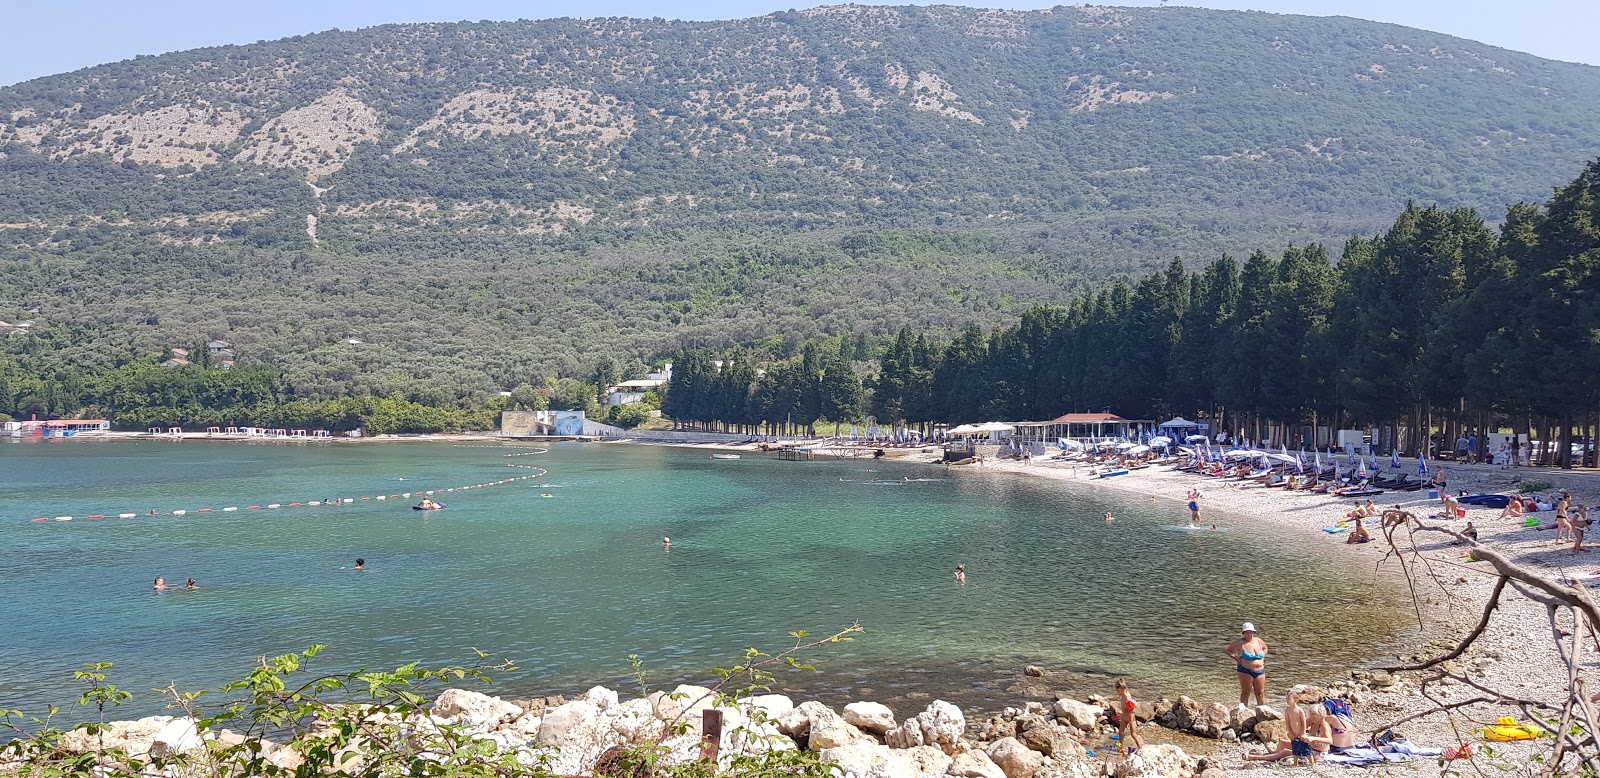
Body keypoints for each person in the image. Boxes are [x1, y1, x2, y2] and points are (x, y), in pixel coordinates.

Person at [1247, 689, 1310, 764]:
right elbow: (1287, 722)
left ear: (1296, 700)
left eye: (1289, 699)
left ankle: (1260, 757)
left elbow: (1303, 723)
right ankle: (1273, 753)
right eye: (1286, 699)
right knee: (1289, 744)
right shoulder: (1287, 710)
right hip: (1293, 733)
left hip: (1300, 734)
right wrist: (1290, 732)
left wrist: (1302, 732)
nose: (1287, 700)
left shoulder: (1300, 711)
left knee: (1301, 748)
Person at [1225, 623, 1268, 708]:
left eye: (1251, 632)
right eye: (1247, 632)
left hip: (1260, 671)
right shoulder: (1240, 643)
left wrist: (1262, 658)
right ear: (1243, 633)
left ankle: (1262, 712)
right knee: (1246, 693)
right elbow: (1227, 650)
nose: (1249, 634)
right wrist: (1237, 659)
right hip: (1245, 671)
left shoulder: (1259, 641)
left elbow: (1265, 648)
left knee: (1260, 693)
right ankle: (1243, 712)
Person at [1114, 679, 1144, 755]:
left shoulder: (1127, 697)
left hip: (1130, 718)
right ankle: (1120, 748)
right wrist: (1122, 713)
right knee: (1121, 733)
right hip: (1124, 717)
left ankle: (1141, 748)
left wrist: (1122, 713)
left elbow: (1132, 709)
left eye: (1116, 691)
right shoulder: (1123, 695)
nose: (1116, 693)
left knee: (1133, 733)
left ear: (1120, 689)